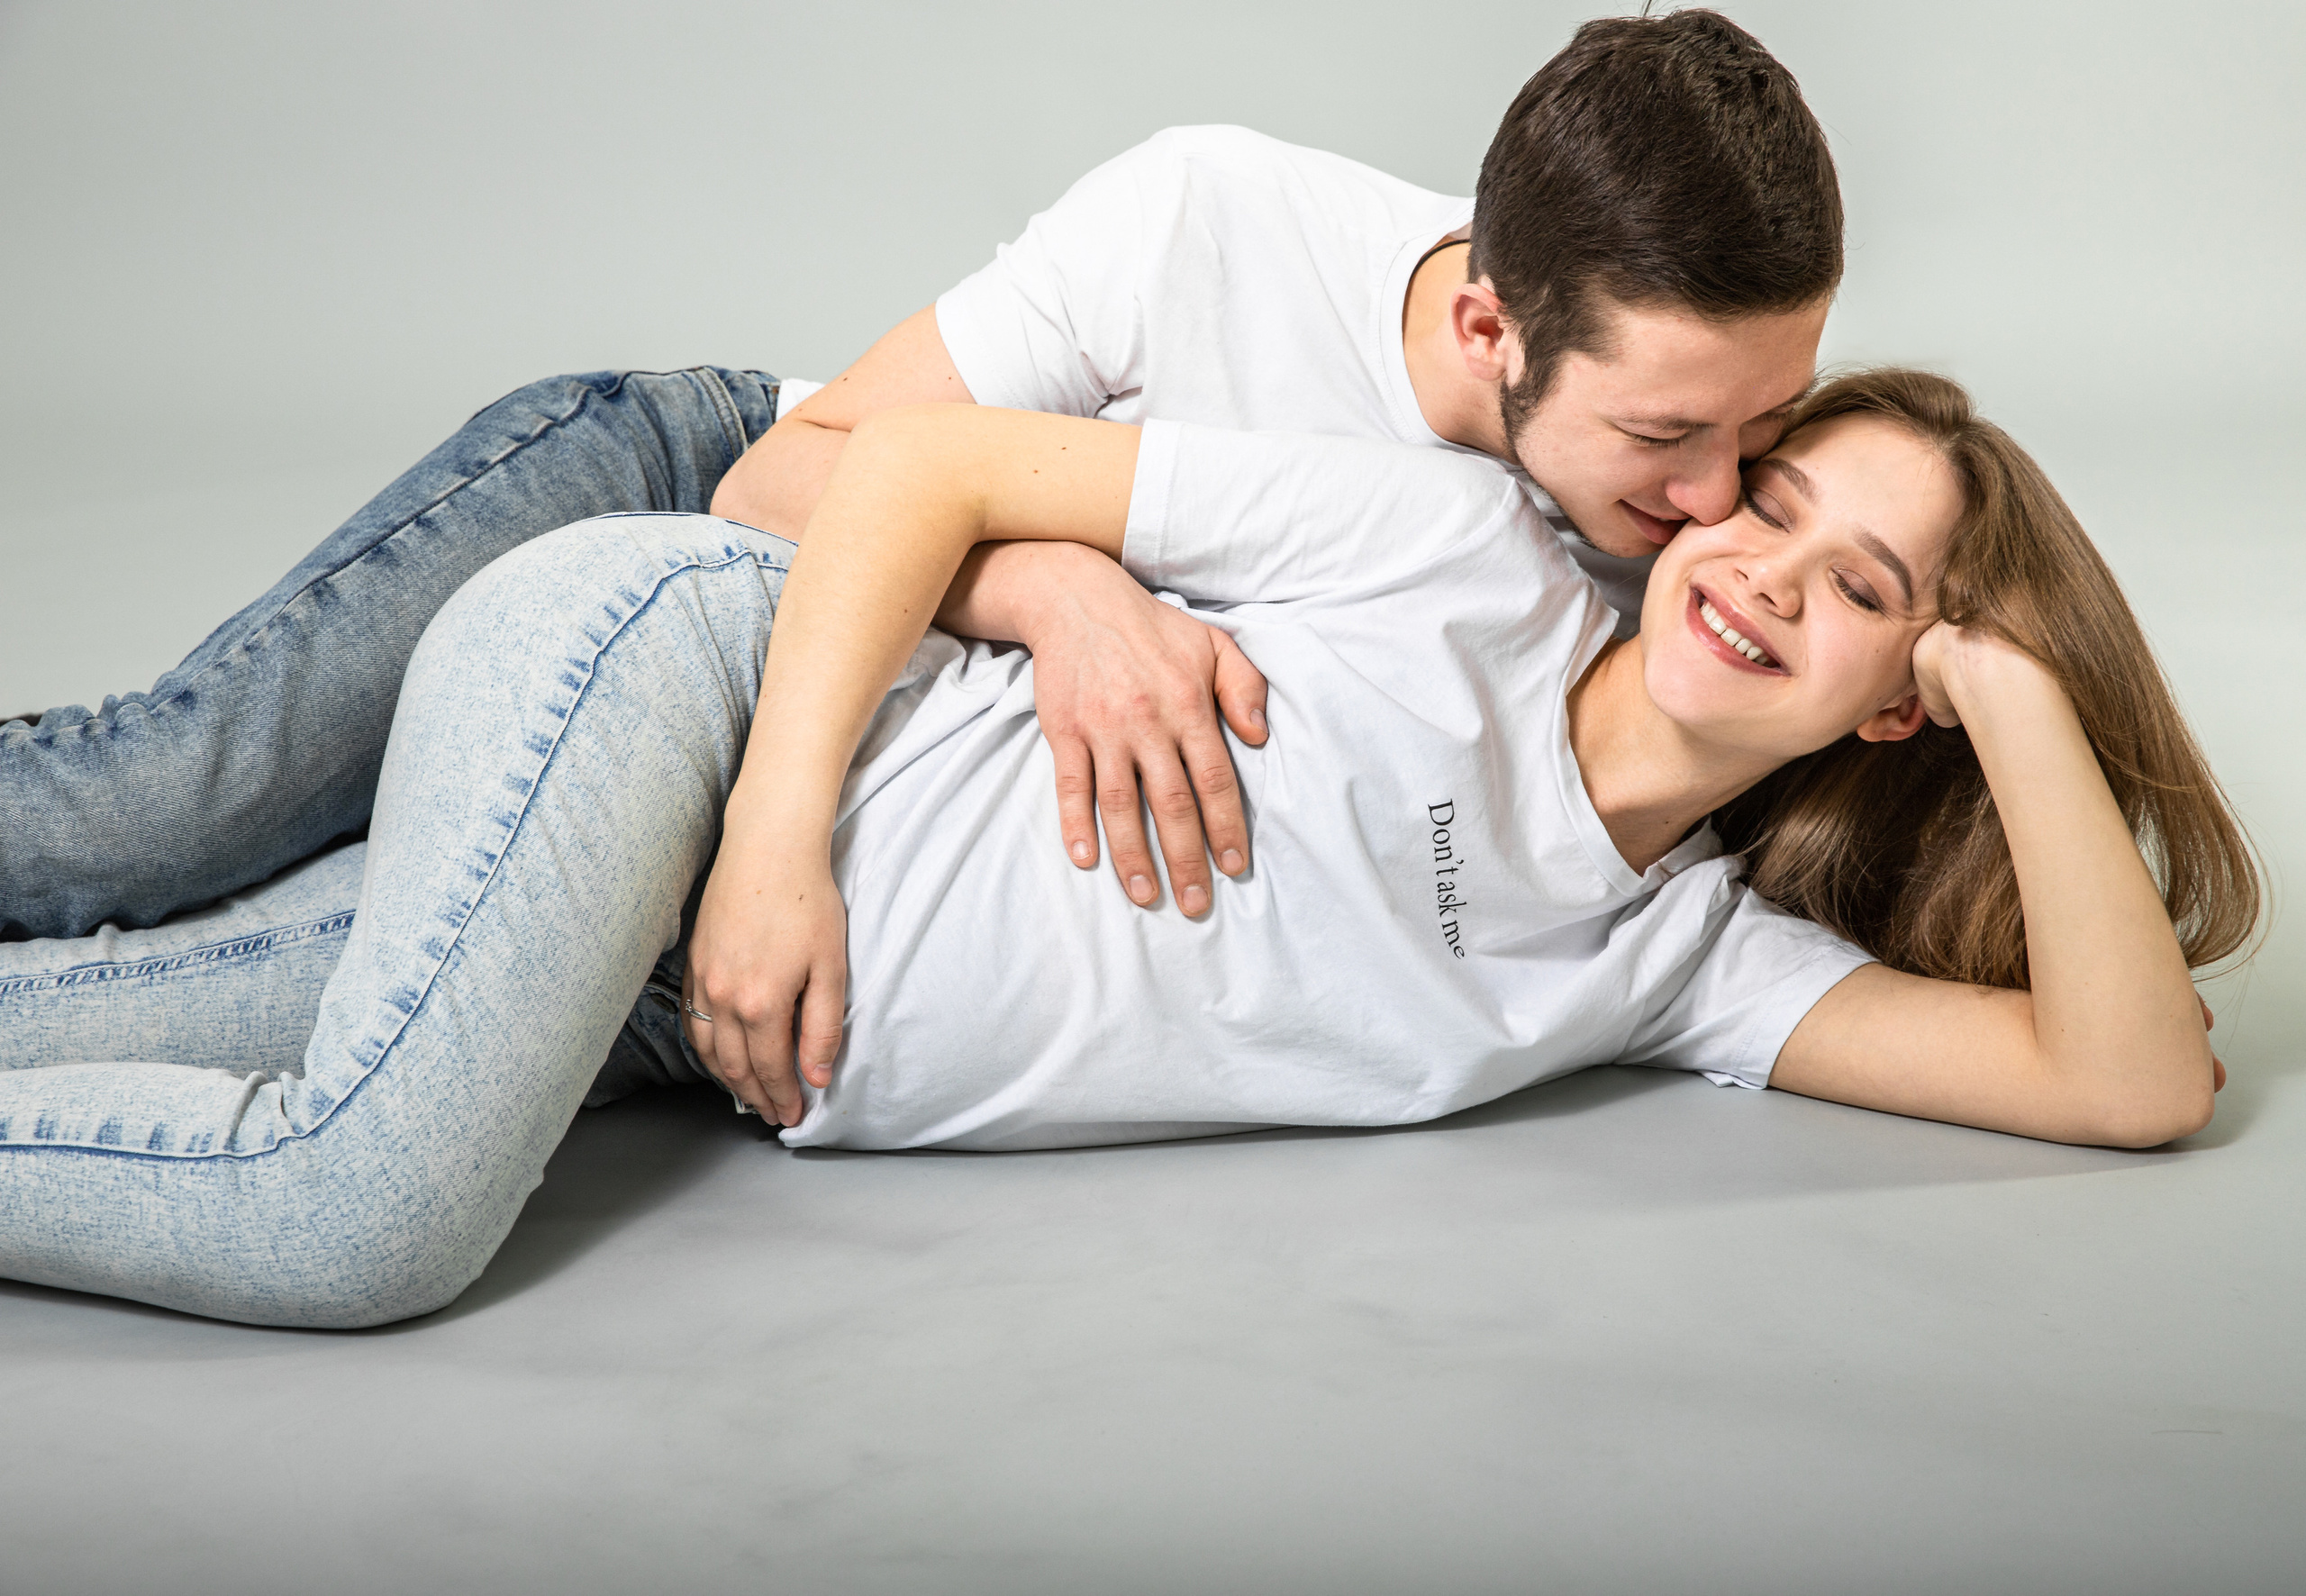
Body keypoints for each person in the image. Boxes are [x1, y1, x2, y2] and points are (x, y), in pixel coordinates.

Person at [0, 370, 2260, 1328]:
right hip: (690, 709)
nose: (1761, 566)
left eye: (1859, 584)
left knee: (84, 1014)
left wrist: (2016, 692)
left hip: (679, 1013)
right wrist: (780, 842)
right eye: (1775, 497)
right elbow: (919, 473)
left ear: (1896, 697)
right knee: (358, 1208)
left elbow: (2126, 1081)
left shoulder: (1675, 964)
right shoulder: (1448, 549)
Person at [1, 8, 1839, 945]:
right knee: (168, 820)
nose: (1718, 498)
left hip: (759, 725)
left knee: (254, 942)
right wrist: (1058, 590)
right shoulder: (1207, 214)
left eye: (1762, 425)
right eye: (1666, 440)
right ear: (1489, 329)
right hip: (669, 500)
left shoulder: (1685, 504)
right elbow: (780, 483)